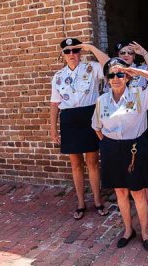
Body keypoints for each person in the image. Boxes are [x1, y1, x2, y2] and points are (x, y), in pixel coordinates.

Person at [85, 42, 148, 250]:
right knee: (121, 192)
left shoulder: (139, 95)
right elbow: (96, 126)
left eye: (120, 75)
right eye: (112, 75)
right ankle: (128, 229)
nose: (116, 79)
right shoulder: (102, 100)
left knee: (138, 192)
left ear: (127, 77)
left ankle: (145, 231)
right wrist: (108, 143)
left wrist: (136, 70)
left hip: (135, 148)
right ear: (107, 79)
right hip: (111, 148)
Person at [50, 38, 109, 220]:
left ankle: (98, 201)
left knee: (92, 162)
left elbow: (109, 64)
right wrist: (53, 130)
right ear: (63, 54)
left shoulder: (92, 68)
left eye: (75, 51)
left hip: (89, 116)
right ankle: (81, 202)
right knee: (76, 165)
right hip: (69, 119)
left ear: (80, 53)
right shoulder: (58, 76)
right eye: (67, 52)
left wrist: (90, 47)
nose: (72, 55)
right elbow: (54, 104)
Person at [114, 40, 148, 211]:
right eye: (123, 53)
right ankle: (124, 196)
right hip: (120, 121)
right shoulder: (114, 72)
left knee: (142, 160)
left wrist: (144, 52)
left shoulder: (140, 71)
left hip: (139, 119)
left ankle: (147, 197)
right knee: (121, 160)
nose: (126, 55)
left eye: (130, 53)